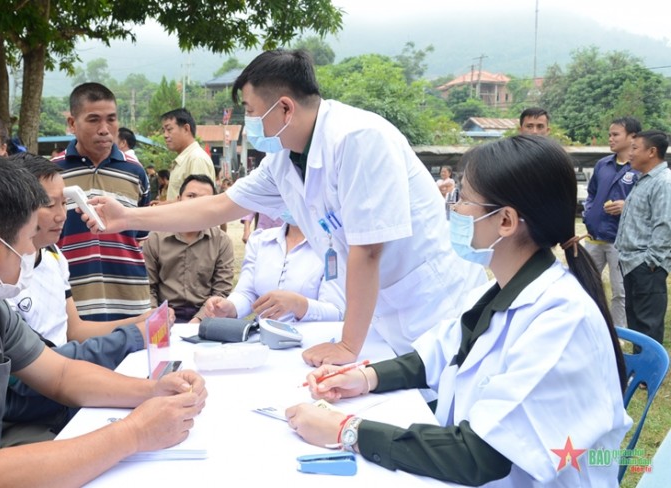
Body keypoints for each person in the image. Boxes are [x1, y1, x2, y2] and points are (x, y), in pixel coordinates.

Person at [81, 49, 487, 365]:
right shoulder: (283, 161)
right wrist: (128, 216)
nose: (250, 123)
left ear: (286, 108)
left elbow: (368, 250)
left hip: (432, 307)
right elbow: (218, 207)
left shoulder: (358, 139)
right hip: (385, 316)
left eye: (252, 112)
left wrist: (347, 345)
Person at [286, 135, 630, 487]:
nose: (455, 211)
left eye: (464, 200)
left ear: (506, 221)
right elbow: (436, 355)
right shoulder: (499, 292)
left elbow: (480, 456)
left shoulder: (561, 320)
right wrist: (364, 378)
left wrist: (347, 431)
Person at [0, 151, 206, 487]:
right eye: (30, 238)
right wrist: (135, 433)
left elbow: (60, 374)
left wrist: (154, 391)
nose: (33, 252)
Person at [4, 153, 168, 439]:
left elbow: (75, 330)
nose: (61, 215)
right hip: (35, 409)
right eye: (48, 204)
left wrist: (143, 320)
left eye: (64, 202)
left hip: (66, 388)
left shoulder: (54, 256)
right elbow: (43, 368)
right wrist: (132, 335)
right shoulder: (1, 278)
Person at [55, 82, 152, 320]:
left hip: (130, 303)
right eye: (93, 120)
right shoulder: (51, 174)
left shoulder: (136, 172)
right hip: (71, 307)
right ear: (72, 123)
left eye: (111, 119)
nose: (104, 129)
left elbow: (141, 239)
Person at [205, 214, 345, 323]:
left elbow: (336, 312)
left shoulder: (332, 247)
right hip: (262, 341)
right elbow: (247, 293)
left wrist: (298, 304)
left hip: (310, 344)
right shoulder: (261, 240)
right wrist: (229, 307)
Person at [143, 174, 234, 323]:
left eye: (204, 199)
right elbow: (147, 287)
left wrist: (199, 319)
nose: (196, 203)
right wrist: (157, 317)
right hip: (165, 315)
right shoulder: (155, 238)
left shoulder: (221, 242)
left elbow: (221, 290)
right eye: (191, 196)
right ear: (179, 199)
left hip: (206, 316)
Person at [583, 116, 642, 328]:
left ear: (632, 137)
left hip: (621, 241)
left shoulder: (640, 168)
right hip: (594, 238)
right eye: (609, 134)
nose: (610, 138)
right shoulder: (602, 164)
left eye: (615, 134)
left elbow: (648, 203)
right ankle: (590, 326)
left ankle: (620, 334)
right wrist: (589, 214)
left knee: (620, 291)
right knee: (585, 285)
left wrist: (627, 206)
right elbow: (591, 194)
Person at [615, 130, 671, 348]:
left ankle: (651, 369)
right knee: (637, 328)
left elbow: (665, 225)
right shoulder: (643, 181)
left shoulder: (663, 182)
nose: (630, 153)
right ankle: (640, 365)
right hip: (632, 264)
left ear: (652, 152)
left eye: (635, 148)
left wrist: (651, 262)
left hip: (646, 267)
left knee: (648, 329)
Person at [161, 108, 216, 201]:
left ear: (186, 129)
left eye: (169, 129)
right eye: (164, 131)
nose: (165, 135)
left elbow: (198, 202)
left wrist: (165, 206)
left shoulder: (196, 159)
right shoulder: (185, 159)